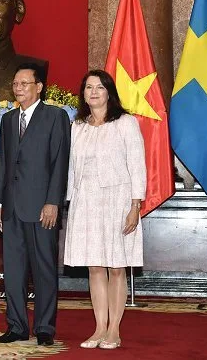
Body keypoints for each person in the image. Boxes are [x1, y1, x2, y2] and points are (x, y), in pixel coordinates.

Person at [64, 70, 146, 350]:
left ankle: (114, 330)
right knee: (95, 267)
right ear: (83, 94)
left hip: (118, 200)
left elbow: (137, 166)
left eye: (100, 87)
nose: (94, 92)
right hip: (85, 200)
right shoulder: (78, 126)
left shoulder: (125, 123)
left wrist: (135, 205)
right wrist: (68, 200)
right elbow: (71, 169)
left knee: (116, 267)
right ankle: (99, 328)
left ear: (109, 92)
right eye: (89, 87)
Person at [0, 62, 70, 346]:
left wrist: (53, 202)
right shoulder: (8, 119)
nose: (19, 88)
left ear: (39, 87)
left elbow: (59, 162)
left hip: (41, 208)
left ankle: (45, 327)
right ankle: (16, 326)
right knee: (13, 270)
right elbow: (3, 162)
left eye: (25, 83)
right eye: (15, 83)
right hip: (12, 208)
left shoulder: (55, 116)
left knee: (44, 268)